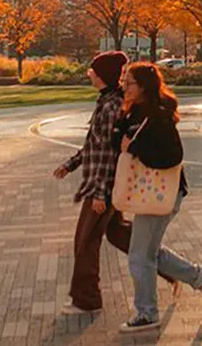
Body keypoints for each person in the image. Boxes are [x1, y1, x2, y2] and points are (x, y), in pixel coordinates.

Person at [115, 63, 202, 333]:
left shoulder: (159, 116)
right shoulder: (132, 112)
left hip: (163, 194)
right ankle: (199, 277)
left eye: (130, 83)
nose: (124, 87)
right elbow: (122, 143)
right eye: (124, 82)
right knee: (148, 252)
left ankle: (147, 313)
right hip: (147, 194)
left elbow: (173, 157)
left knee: (139, 254)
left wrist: (134, 147)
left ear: (144, 86)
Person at [53, 51, 130, 315]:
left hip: (103, 187)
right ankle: (186, 273)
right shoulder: (107, 102)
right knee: (124, 237)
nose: (89, 73)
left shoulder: (111, 107)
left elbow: (110, 155)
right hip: (104, 186)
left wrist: (100, 194)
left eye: (93, 70)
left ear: (103, 75)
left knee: (85, 241)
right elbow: (93, 145)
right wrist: (70, 165)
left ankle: (87, 300)